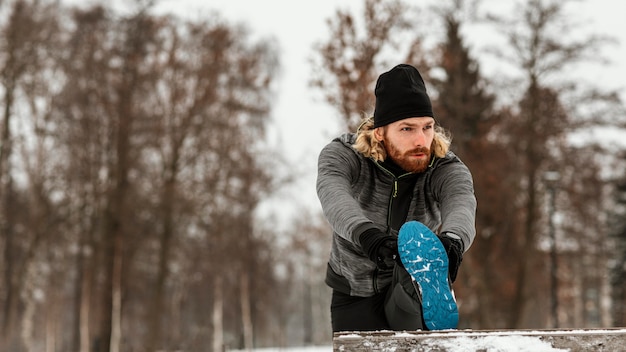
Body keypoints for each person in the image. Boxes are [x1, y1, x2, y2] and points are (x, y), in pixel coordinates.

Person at [316, 64, 476, 332]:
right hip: (355, 287)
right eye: (407, 129)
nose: (421, 140)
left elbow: (461, 201)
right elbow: (333, 192)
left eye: (427, 127)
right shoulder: (345, 155)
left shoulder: (445, 167)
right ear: (380, 132)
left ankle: (427, 293)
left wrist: (455, 241)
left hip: (412, 284)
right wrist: (366, 234)